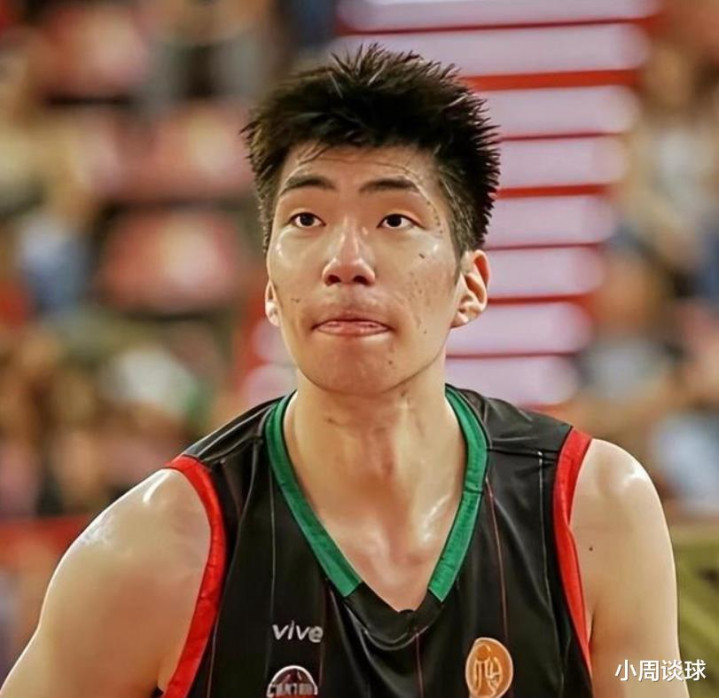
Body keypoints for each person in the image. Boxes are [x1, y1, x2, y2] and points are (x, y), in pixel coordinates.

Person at [0, 46, 688, 698]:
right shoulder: (150, 550)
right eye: (307, 218)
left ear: (470, 286)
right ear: (270, 289)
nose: (345, 260)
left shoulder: (595, 508)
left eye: (395, 219)